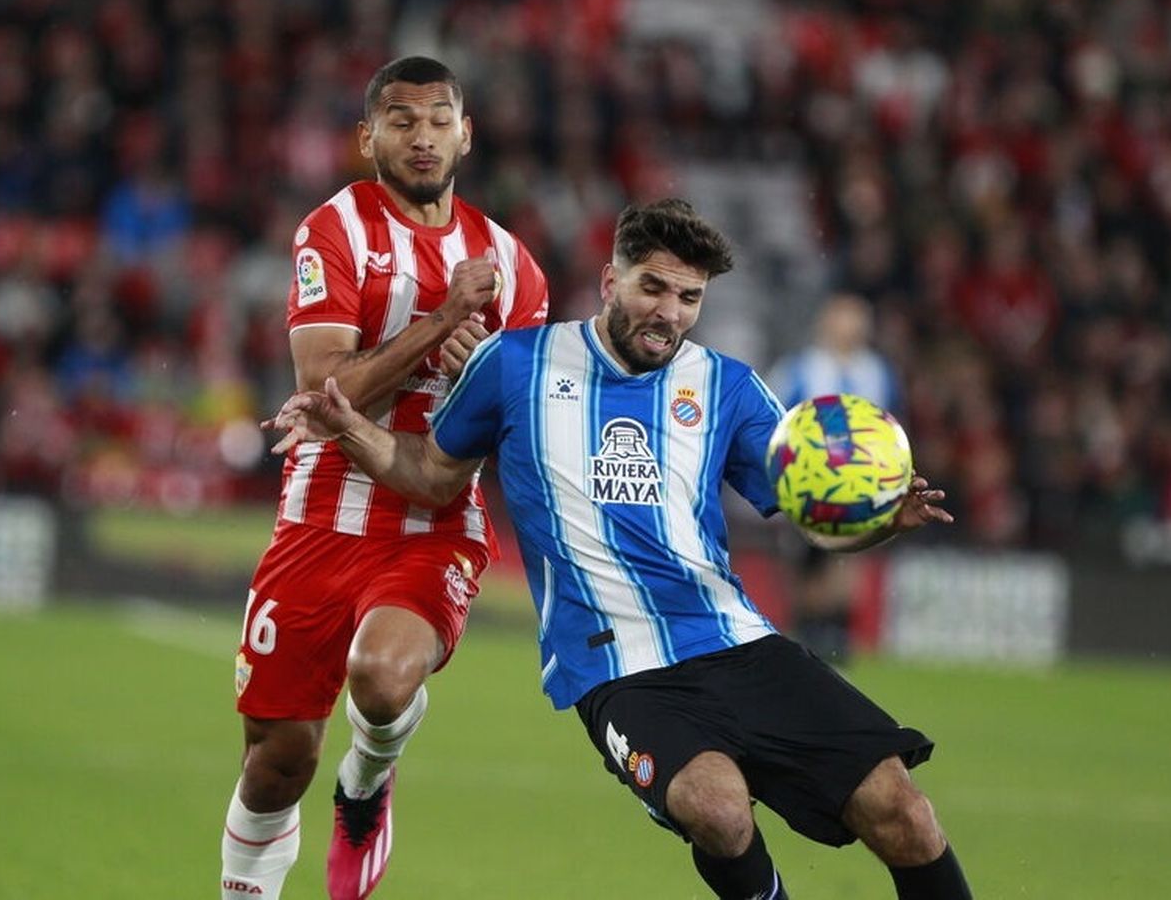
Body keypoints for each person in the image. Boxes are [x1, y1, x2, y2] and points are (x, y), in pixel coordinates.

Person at [268, 199, 971, 899]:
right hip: (616, 665)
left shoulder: (726, 385)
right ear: (611, 282)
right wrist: (349, 427)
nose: (669, 311)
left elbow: (810, 514)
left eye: (689, 296)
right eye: (653, 287)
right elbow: (430, 475)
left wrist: (875, 518)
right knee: (717, 810)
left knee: (900, 808)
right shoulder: (515, 365)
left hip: (736, 640)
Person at [219, 56, 550, 900]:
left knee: (383, 672)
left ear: (466, 134)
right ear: (368, 137)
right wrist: (441, 321)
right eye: (401, 120)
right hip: (319, 513)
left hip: (432, 519)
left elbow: (518, 425)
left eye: (440, 119)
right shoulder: (332, 231)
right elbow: (322, 388)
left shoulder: (513, 267)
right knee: (276, 760)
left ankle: (367, 782)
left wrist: (490, 380)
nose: (423, 136)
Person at [768, 293, 904, 661]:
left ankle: (834, 636)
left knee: (849, 561)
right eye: (846, 317)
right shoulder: (796, 369)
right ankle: (807, 633)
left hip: (862, 486)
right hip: (808, 485)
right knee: (805, 563)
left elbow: (891, 428)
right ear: (826, 322)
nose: (853, 326)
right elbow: (773, 421)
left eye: (859, 318)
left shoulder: (879, 371)